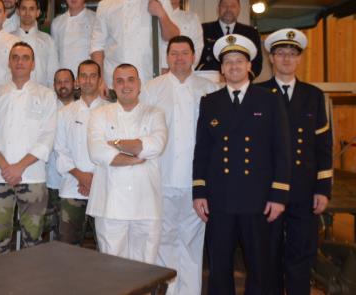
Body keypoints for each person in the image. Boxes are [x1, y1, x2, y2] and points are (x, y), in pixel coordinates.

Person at [192, 34, 291, 295]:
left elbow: (282, 150)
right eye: (228, 62)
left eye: (239, 60)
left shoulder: (269, 99)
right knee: (219, 266)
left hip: (257, 201)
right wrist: (199, 192)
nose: (233, 66)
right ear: (222, 69)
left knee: (260, 267)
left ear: (249, 66)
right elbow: (201, 150)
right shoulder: (210, 102)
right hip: (220, 200)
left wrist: (279, 195)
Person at [141, 36, 218, 295]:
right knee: (164, 240)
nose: (179, 58)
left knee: (193, 243)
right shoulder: (152, 88)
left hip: (195, 182)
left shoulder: (209, 89)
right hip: (161, 178)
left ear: (194, 57)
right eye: (174, 53)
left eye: (184, 53)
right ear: (167, 57)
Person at [259, 28, 332, 295]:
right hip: (268, 191)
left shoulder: (313, 95)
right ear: (271, 59)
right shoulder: (259, 93)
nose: (287, 59)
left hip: (304, 190)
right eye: (280, 53)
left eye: (292, 54)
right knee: (269, 254)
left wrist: (323, 190)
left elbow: (324, 146)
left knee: (301, 254)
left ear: (299, 59)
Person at [0, 42, 57, 254]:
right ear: (9, 62)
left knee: (33, 241)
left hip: (32, 176)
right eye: (15, 57)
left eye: (25, 57)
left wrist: (19, 167)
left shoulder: (46, 95)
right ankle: (0, 285)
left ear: (33, 64)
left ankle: (30, 286)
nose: (20, 61)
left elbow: (47, 137)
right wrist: (7, 167)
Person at [87, 64, 167, 263]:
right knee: (112, 270)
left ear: (139, 84)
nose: (126, 85)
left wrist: (115, 143)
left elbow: (155, 145)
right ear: (114, 85)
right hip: (110, 204)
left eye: (131, 79)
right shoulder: (99, 114)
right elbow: (96, 151)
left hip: (147, 202)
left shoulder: (155, 113)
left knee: (146, 267)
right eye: (120, 81)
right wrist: (135, 155)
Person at [90, 0, 179, 89]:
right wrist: (100, 80)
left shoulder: (160, 0)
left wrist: (162, 14)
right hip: (115, 81)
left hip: (150, 79)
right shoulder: (105, 5)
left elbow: (173, 37)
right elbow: (97, 45)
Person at [55, 60, 108, 246]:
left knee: (105, 248)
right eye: (84, 76)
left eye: (93, 76)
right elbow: (60, 150)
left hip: (103, 188)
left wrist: (94, 178)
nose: (88, 80)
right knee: (68, 251)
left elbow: (112, 151)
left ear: (100, 80)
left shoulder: (110, 110)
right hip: (72, 188)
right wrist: (81, 177)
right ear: (77, 80)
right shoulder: (64, 113)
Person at [43, 68, 76, 239]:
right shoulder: (46, 108)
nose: (62, 85)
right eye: (58, 81)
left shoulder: (82, 108)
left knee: (71, 234)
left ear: (74, 83)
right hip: (51, 180)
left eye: (66, 81)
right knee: (52, 230)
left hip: (77, 180)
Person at [197, 0, 262, 78]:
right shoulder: (202, 30)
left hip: (240, 83)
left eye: (233, 6)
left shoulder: (250, 33)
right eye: (224, 6)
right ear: (218, 9)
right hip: (210, 81)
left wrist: (241, 79)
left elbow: (256, 63)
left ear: (239, 9)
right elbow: (196, 59)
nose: (228, 9)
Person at [12, 0, 58, 87]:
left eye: (31, 9)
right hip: (14, 94)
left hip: (41, 94)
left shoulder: (47, 40)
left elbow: (53, 72)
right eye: (24, 8)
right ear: (18, 11)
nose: (27, 13)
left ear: (38, 12)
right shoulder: (9, 38)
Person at [51, 0, 96, 72]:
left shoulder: (95, 20)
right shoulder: (57, 23)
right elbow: (54, 56)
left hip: (87, 78)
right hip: (64, 79)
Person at [159, 0, 203, 68]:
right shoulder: (153, 16)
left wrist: (186, 70)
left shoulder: (191, 18)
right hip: (156, 71)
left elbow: (197, 47)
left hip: (181, 71)